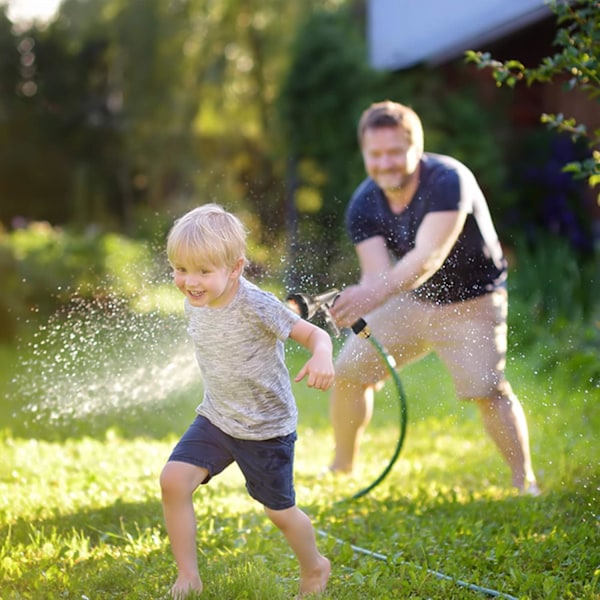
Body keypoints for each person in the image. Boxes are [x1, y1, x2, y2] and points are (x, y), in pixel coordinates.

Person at [328, 100, 540, 496]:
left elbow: (427, 258)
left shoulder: (448, 180)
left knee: (487, 390)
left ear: (416, 147)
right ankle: (341, 468)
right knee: (349, 371)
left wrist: (373, 292)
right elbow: (376, 275)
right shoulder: (364, 203)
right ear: (364, 154)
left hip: (472, 302)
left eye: (395, 152)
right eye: (375, 154)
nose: (385, 163)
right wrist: (354, 303)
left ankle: (523, 481)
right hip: (410, 299)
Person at [160, 203, 333, 598]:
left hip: (266, 429)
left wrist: (322, 356)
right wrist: (198, 281)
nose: (190, 282)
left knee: (280, 512)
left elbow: (316, 337)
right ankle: (188, 575)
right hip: (218, 418)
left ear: (235, 269)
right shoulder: (195, 298)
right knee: (173, 481)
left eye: (204, 271)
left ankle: (315, 566)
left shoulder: (257, 304)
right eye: (181, 269)